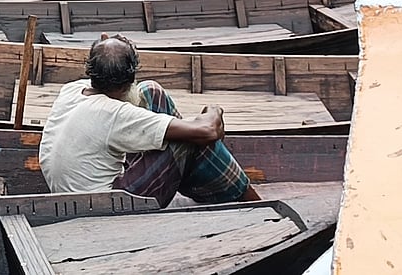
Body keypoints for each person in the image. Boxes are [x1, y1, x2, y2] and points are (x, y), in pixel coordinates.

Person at [38, 34, 261, 209]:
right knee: (191, 140)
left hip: (73, 197)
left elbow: (113, 70)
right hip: (106, 208)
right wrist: (214, 109)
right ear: (129, 78)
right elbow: (208, 130)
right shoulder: (114, 113)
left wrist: (110, 45)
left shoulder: (71, 90)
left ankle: (206, 182)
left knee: (150, 91)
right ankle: (251, 199)